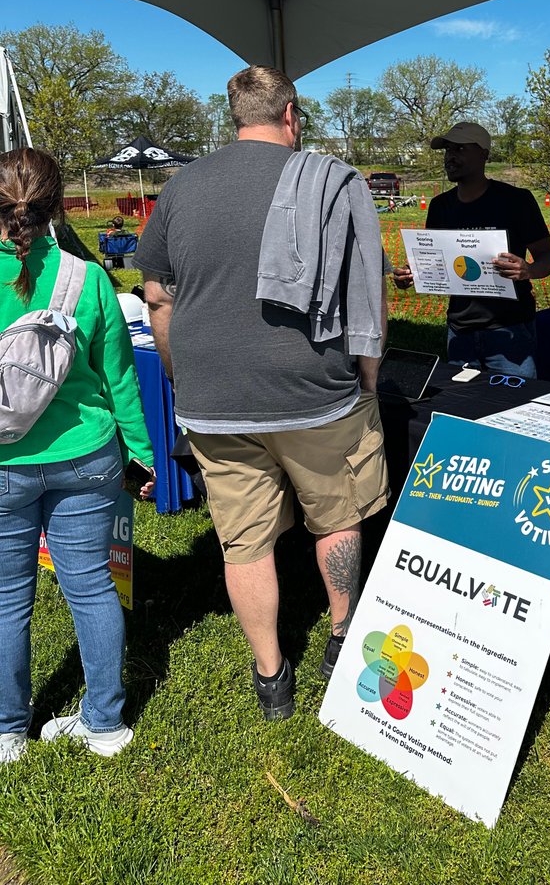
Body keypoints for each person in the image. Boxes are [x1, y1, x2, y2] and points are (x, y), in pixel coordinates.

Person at [134, 65, 389, 721]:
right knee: (336, 516)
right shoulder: (334, 183)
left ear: (234, 116)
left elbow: (158, 297)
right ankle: (338, 639)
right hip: (319, 389)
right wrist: (367, 377)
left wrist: (176, 372)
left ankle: (271, 676)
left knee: (242, 540)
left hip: (212, 396)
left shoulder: (181, 187)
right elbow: (368, 294)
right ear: (292, 116)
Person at [0, 148, 155, 764]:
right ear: (58, 205)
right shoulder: (88, 279)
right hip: (88, 455)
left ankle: (8, 730)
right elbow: (120, 381)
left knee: (8, 597)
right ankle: (105, 725)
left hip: (4, 462)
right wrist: (142, 458)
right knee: (90, 587)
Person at [393, 122, 550, 378]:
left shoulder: (516, 201)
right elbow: (436, 263)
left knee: (513, 406)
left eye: (459, 149)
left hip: (510, 332)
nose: (450, 157)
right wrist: (412, 274)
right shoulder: (440, 206)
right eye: (447, 150)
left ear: (484, 154)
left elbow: (548, 258)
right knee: (463, 406)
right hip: (459, 331)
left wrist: (529, 270)